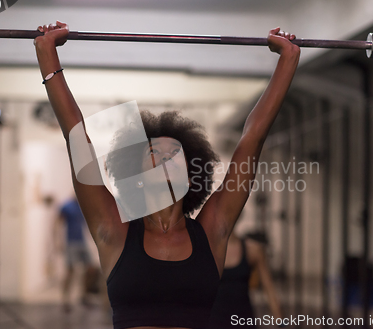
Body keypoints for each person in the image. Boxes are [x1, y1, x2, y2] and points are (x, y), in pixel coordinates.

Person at [34, 21, 299, 329]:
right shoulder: (114, 231)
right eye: (153, 153)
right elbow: (77, 136)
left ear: (191, 172)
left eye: (174, 154)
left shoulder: (212, 231)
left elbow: (252, 137)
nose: (165, 158)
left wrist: (288, 59)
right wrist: (48, 57)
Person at [208, 232, 283, 328]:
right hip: (214, 321)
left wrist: (281, 323)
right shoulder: (206, 249)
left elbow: (269, 289)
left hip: (243, 319)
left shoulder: (252, 249)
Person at [55, 196, 93, 312]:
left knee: (90, 269)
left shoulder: (82, 205)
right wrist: (57, 241)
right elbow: (57, 224)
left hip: (82, 242)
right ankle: (65, 300)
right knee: (70, 271)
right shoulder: (66, 206)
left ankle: (84, 296)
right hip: (71, 242)